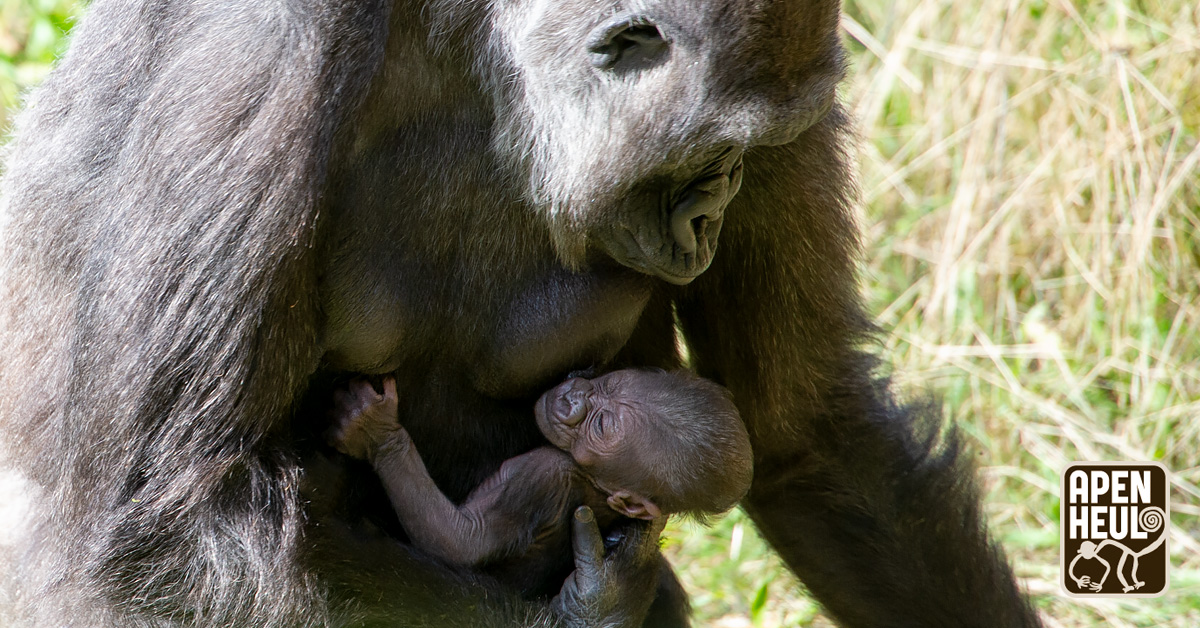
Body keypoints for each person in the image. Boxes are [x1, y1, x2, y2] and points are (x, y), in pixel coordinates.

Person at [328, 368, 753, 597]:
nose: (573, 398)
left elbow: (457, 541)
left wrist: (386, 444)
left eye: (598, 424)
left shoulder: (550, 476)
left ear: (631, 504)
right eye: (604, 382)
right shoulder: (624, 491)